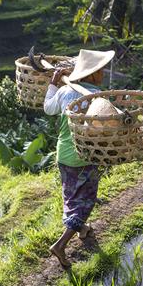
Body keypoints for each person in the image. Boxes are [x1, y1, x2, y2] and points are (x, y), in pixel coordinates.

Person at [43, 49, 115, 267]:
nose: (103, 73)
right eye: (100, 70)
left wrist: (54, 84)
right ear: (92, 74)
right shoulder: (98, 99)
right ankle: (60, 245)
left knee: (70, 196)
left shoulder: (65, 91)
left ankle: (82, 230)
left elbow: (48, 109)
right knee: (86, 201)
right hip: (85, 156)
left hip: (63, 153)